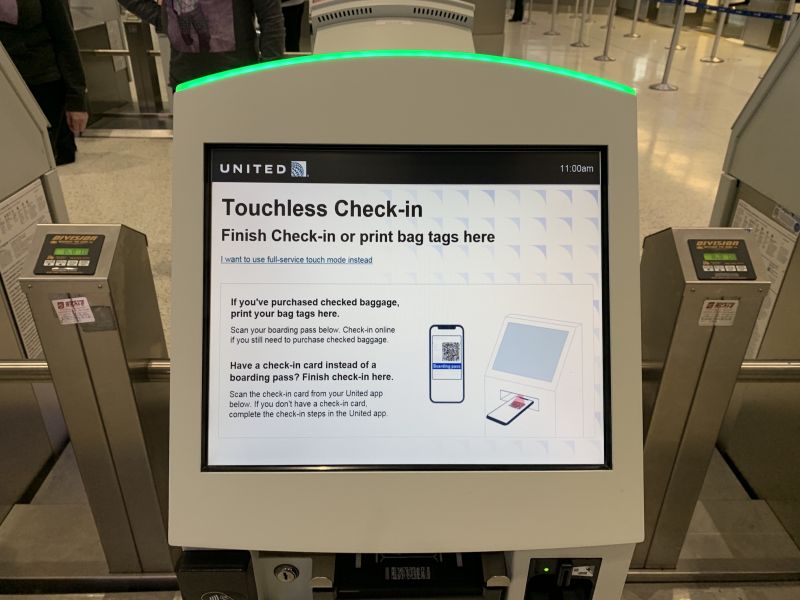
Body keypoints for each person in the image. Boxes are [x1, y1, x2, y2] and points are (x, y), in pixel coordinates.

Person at [118, 0, 285, 89]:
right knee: (193, 149)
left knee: (240, 147)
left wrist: (268, 77)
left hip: (237, 78)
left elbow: (271, 19)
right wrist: (162, 19)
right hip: (186, 78)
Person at [0, 0, 89, 165]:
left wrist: (76, 101)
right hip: (5, 86)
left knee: (38, 161)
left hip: (42, 84)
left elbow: (65, 39)